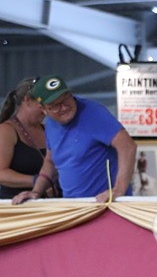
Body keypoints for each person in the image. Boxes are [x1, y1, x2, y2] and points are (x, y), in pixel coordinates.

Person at [12, 75, 135, 204]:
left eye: (66, 100)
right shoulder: (50, 124)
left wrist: (118, 190)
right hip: (73, 207)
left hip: (105, 205)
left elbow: (127, 146)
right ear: (43, 109)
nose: (64, 108)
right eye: (55, 106)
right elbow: (50, 161)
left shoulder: (94, 112)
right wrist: (36, 191)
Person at [0, 77, 58, 200]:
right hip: (17, 206)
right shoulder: (5, 131)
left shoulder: (48, 129)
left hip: (49, 205)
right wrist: (39, 181)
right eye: (42, 104)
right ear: (27, 100)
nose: (47, 110)